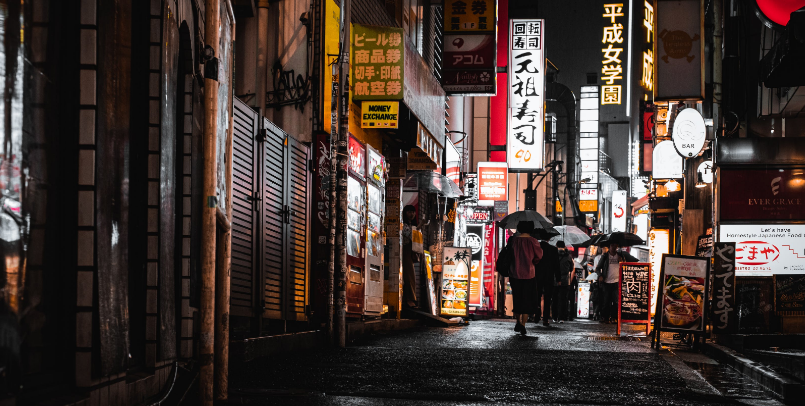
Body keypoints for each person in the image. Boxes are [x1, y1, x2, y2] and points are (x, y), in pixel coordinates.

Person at [508, 221, 543, 335]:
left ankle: (518, 321)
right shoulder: (533, 241)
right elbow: (539, 256)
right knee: (527, 300)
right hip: (529, 274)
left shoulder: (513, 240)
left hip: (515, 273)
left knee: (517, 298)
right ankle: (523, 324)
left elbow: (509, 255)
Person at [595, 241, 638, 323]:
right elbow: (598, 268)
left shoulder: (620, 256)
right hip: (606, 281)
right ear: (609, 247)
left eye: (615, 246)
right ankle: (605, 317)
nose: (614, 247)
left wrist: (622, 261)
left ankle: (614, 317)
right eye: (612, 245)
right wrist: (600, 275)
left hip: (617, 281)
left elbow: (625, 267)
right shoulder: (605, 257)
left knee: (615, 301)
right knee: (606, 301)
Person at [534, 232, 560, 327]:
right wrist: (558, 278)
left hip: (537, 275)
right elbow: (556, 265)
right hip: (549, 276)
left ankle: (536, 314)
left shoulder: (536, 248)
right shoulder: (553, 249)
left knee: (537, 295)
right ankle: (545, 319)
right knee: (548, 298)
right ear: (549, 239)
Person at [401, 205, 419, 308]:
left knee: (411, 276)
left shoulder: (412, 224)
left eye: (413, 212)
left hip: (410, 252)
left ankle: (411, 298)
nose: (411, 214)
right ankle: (409, 299)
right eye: (409, 212)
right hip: (405, 251)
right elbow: (411, 235)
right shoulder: (403, 225)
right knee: (408, 276)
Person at [552, 241, 575, 323]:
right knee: (563, 300)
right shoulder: (568, 256)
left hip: (554, 280)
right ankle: (562, 317)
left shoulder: (553, 255)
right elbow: (571, 269)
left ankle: (554, 317)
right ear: (564, 246)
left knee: (554, 299)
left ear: (556, 245)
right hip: (565, 281)